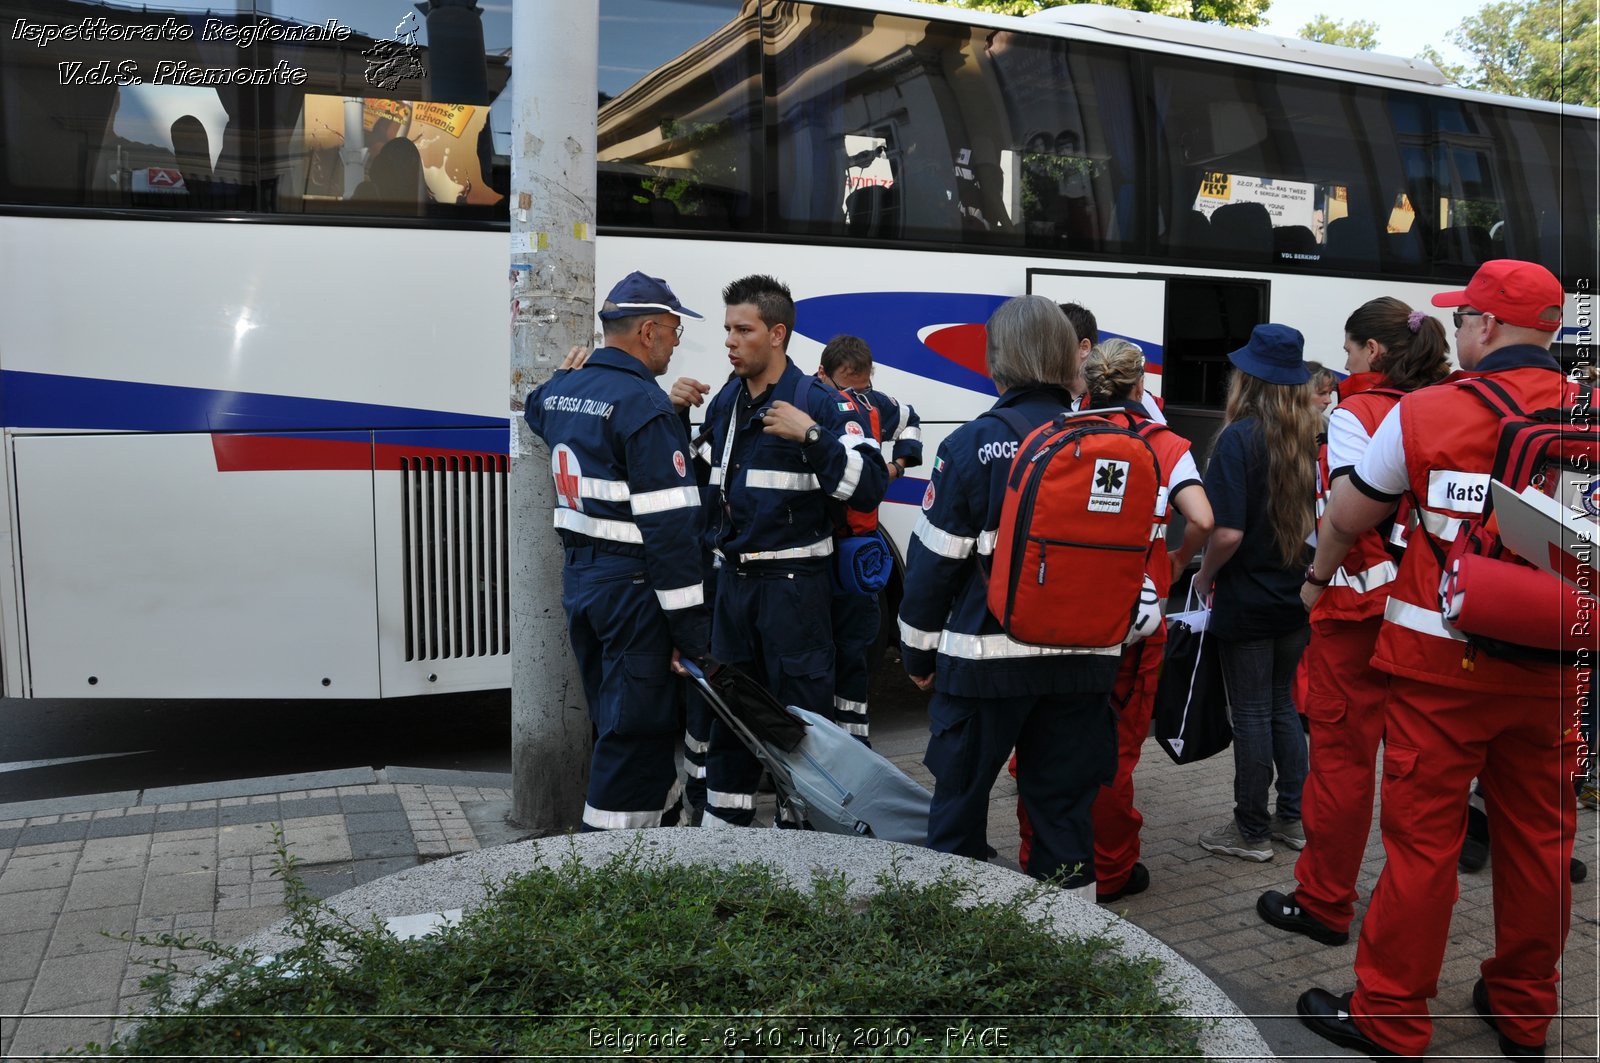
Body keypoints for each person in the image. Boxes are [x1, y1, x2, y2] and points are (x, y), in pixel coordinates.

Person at [1296, 260, 1581, 1059]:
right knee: (1541, 843)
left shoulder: (1429, 410)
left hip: (1437, 667)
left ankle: (1389, 1013)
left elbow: (1349, 514)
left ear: (1486, 327)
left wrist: (1317, 583)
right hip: (1557, 668)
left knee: (1424, 845)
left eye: (1462, 318)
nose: (1456, 330)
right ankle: (1524, 1010)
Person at [898, 294, 1121, 897]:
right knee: (1065, 823)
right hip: (1085, 667)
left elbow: (932, 569)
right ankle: (1069, 954)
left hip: (986, 668)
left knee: (959, 815)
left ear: (998, 361)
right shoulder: (1107, 443)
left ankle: (956, 951)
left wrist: (917, 658)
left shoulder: (975, 445)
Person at [1256, 297, 1451, 947]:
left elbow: (1345, 514)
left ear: (1373, 351)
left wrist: (1313, 583)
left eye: (1346, 350)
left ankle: (1325, 901)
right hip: (1429, 614)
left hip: (1354, 616)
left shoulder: (1357, 414)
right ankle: (1408, 911)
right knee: (1421, 775)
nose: (1341, 364)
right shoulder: (1446, 407)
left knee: (1341, 763)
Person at [687, 275, 888, 827]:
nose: (730, 340)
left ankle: (801, 853)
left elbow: (870, 485)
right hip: (733, 589)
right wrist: (679, 419)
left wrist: (813, 437)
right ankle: (720, 850)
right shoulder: (727, 399)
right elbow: (705, 484)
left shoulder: (818, 402)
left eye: (743, 329)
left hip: (794, 594)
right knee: (731, 723)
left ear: (777, 334)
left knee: (799, 728)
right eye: (728, 328)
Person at [522, 271, 710, 831]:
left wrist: (561, 372)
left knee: (621, 719)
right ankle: (606, 870)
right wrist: (692, 636)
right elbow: (672, 534)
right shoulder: (645, 408)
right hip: (633, 595)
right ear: (648, 330)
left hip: (584, 584)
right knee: (634, 732)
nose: (677, 342)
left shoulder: (561, 391)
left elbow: (536, 410)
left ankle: (659, 836)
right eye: (675, 331)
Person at [1080, 338, 1214, 901]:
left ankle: (1048, 855)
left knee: (1060, 737)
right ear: (1141, 387)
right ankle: (1112, 868)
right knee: (1117, 747)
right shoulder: (1164, 444)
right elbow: (1202, 518)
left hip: (1067, 614)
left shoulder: (1063, 433)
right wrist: (1178, 563)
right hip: (1136, 618)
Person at [1192, 324, 1318, 863]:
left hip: (1245, 600)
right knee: (1282, 706)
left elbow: (1228, 532)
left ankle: (1250, 830)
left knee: (1250, 714)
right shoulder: (1310, 438)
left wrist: (1201, 577)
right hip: (1294, 598)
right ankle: (1293, 818)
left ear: (1249, 380)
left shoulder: (1238, 439)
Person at [816, 334, 922, 742]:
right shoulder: (809, 401)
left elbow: (911, 418)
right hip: (815, 550)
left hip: (858, 556)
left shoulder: (876, 402)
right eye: (848, 387)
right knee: (815, 658)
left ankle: (854, 745)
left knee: (857, 652)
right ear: (824, 373)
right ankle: (819, 744)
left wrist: (896, 466)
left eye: (863, 387)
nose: (857, 398)